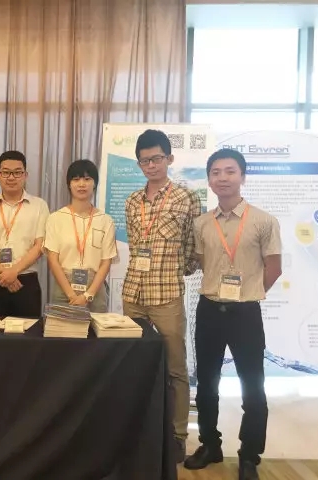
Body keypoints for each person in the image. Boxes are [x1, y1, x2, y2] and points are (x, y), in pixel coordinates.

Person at [184, 149, 281, 480]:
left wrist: (249, 292)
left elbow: (274, 268)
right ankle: (210, 445)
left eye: (230, 171)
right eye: (216, 172)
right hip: (209, 310)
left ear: (242, 176)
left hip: (245, 314)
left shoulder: (264, 221)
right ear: (209, 180)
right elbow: (202, 263)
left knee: (252, 386)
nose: (222, 178)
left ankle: (249, 455)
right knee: (207, 384)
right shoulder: (201, 223)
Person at [122, 129, 202, 463]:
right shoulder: (131, 201)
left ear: (169, 158)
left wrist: (172, 270)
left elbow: (193, 250)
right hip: (133, 293)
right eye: (144, 161)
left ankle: (178, 435)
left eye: (156, 158)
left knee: (175, 368)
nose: (151, 165)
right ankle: (137, 430)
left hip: (167, 294)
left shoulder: (187, 197)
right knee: (134, 363)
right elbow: (134, 245)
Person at [0, 150, 50, 318]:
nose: (11, 177)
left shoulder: (39, 206)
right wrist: (4, 273)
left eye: (17, 172)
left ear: (25, 175)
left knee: (29, 331)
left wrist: (14, 271)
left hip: (25, 281)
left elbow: (40, 245)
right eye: (6, 172)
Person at [44, 159, 117, 312]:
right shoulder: (55, 218)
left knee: (96, 327)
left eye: (87, 179)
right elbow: (53, 260)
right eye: (76, 179)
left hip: (95, 289)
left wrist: (87, 295)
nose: (82, 184)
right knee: (63, 327)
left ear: (95, 184)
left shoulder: (105, 220)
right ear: (69, 184)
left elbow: (106, 262)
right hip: (63, 288)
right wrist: (71, 295)